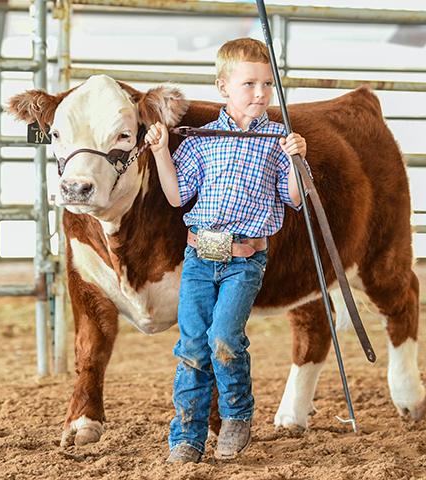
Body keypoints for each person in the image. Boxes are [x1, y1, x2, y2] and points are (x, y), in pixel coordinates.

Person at [146, 37, 311, 464]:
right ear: (224, 87)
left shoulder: (278, 139)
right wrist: (162, 151)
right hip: (200, 257)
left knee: (224, 337)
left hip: (245, 260)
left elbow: (294, 199)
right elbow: (177, 195)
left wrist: (296, 161)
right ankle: (187, 434)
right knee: (192, 346)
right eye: (249, 85)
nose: (260, 94)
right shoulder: (202, 139)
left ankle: (237, 415)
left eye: (267, 85)